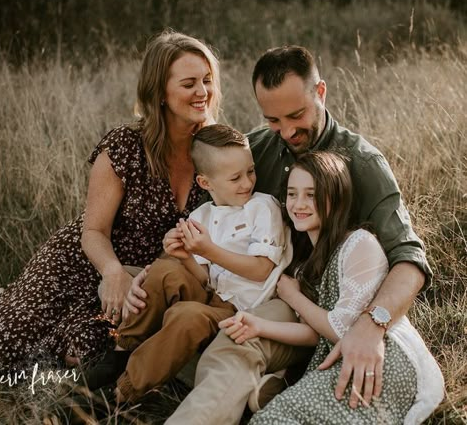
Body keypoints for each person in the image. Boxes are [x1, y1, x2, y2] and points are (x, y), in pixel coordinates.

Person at [163, 44, 431, 425]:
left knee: (236, 345)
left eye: (296, 114)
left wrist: (372, 326)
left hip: (312, 305)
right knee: (161, 294)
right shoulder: (255, 148)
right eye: (273, 119)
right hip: (239, 284)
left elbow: (410, 260)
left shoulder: (363, 163)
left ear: (319, 93)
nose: (287, 131)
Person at [0, 30, 221, 378]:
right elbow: (94, 230)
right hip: (84, 264)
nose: (202, 92)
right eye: (189, 83)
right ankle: (4, 303)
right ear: (160, 91)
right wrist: (112, 271)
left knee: (85, 355)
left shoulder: (215, 152)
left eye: (207, 80)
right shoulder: (126, 145)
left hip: (143, 281)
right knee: (9, 347)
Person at [221, 151, 444, 425]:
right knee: (271, 418)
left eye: (311, 195)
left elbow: (341, 328)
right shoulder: (309, 263)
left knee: (275, 419)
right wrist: (259, 326)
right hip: (339, 360)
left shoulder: (359, 243)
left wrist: (293, 297)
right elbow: (317, 334)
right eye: (292, 194)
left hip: (381, 356)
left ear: (335, 197)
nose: (298, 204)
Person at [83, 124, 292, 403]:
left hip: (242, 309)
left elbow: (261, 270)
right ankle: (121, 349)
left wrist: (209, 249)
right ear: (205, 183)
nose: (247, 183)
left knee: (187, 317)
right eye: (235, 178)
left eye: (250, 171)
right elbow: (204, 278)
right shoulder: (202, 215)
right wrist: (185, 256)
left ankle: (122, 392)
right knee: (165, 269)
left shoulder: (262, 207)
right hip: (211, 294)